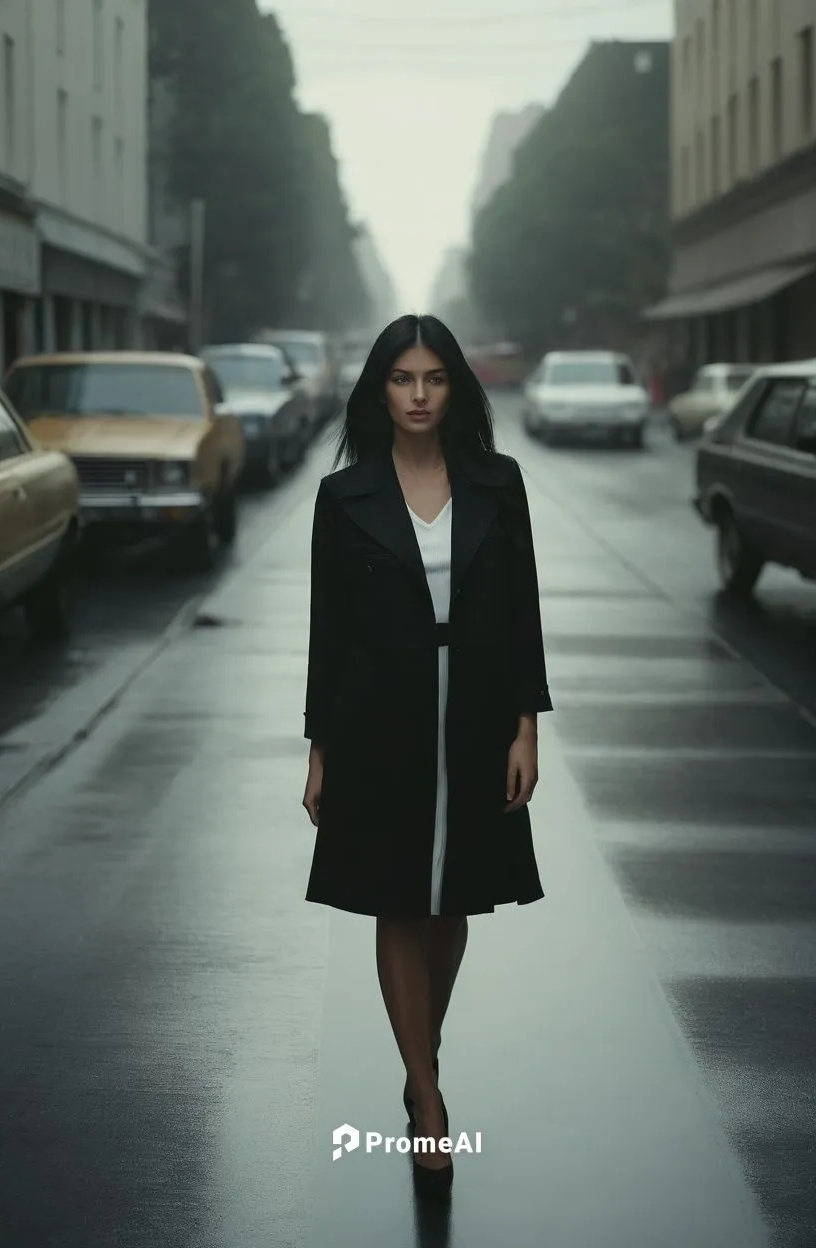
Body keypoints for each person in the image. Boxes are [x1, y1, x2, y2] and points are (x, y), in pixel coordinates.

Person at [301, 313, 552, 1199]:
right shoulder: (346, 497)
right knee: (399, 899)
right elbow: (327, 630)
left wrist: (527, 727)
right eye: (402, 380)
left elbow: (521, 608)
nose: (417, 395)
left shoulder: (499, 482)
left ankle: (417, 1064)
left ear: (455, 388)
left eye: (434, 379)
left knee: (455, 900)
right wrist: (318, 747)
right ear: (380, 390)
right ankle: (431, 1098)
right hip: (376, 719)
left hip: (479, 713)